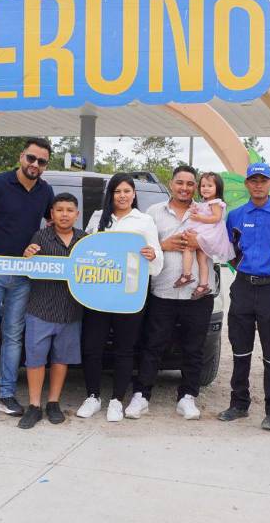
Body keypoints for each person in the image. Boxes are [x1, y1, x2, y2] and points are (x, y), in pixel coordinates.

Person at [0, 138, 54, 422]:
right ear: (21, 156)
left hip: (23, 274)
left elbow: (54, 225)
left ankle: (6, 395)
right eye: (31, 158)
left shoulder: (45, 191)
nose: (34, 165)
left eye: (41, 162)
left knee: (14, 336)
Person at [125, 165, 220, 421]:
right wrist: (163, 245)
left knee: (194, 348)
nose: (185, 188)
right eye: (180, 183)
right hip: (163, 291)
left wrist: (200, 243)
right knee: (152, 345)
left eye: (190, 184)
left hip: (197, 293)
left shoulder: (207, 211)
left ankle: (188, 397)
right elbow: (139, 245)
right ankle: (141, 395)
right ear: (171, 183)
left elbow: (222, 247)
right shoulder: (153, 213)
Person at [219, 162, 270, 430]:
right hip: (243, 286)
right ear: (246, 184)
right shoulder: (235, 215)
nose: (258, 184)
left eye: (263, 180)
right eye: (253, 180)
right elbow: (230, 250)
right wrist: (245, 270)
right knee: (240, 350)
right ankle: (239, 404)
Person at [76, 173, 163, 422]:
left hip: (129, 295)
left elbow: (156, 255)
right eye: (118, 191)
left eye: (127, 191)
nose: (123, 196)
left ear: (134, 194)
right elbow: (87, 251)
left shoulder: (144, 221)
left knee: (125, 350)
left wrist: (152, 255)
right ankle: (93, 396)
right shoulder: (98, 218)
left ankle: (116, 400)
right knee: (93, 347)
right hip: (98, 294)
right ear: (111, 195)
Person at [17, 193, 87, 429]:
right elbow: (28, 270)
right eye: (59, 210)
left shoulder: (85, 240)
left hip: (71, 311)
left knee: (61, 359)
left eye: (69, 210)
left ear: (77, 214)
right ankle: (34, 406)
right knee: (35, 359)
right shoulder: (41, 237)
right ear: (52, 214)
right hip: (41, 309)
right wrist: (27, 256)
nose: (64, 214)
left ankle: (53, 403)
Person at [174, 172, 234, 299]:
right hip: (205, 230)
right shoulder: (205, 202)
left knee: (188, 248)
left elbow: (216, 218)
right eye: (203, 186)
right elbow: (203, 212)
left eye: (210, 186)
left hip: (210, 232)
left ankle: (186, 274)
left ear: (218, 188)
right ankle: (203, 284)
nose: (205, 189)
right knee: (202, 259)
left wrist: (199, 217)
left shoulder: (215, 202)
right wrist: (196, 210)